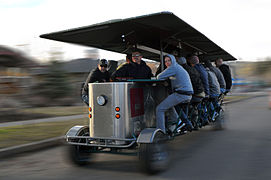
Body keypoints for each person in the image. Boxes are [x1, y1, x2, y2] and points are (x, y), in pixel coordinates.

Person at [156, 54, 193, 133]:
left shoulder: (173, 67)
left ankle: (161, 132)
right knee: (172, 106)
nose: (167, 63)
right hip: (187, 94)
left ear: (173, 60)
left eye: (169, 60)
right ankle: (181, 123)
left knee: (159, 109)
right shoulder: (178, 67)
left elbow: (158, 77)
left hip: (181, 94)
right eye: (165, 61)